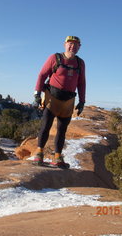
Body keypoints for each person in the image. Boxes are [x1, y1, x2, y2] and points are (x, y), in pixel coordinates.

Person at [32, 36, 86, 168]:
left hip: (68, 101)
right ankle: (39, 154)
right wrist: (37, 94)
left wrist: (82, 101)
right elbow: (42, 75)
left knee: (62, 130)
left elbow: (81, 82)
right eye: (70, 44)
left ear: (79, 47)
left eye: (75, 44)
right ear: (64, 45)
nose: (72, 46)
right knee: (46, 126)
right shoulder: (55, 58)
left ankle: (57, 157)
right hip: (52, 97)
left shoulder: (80, 63)